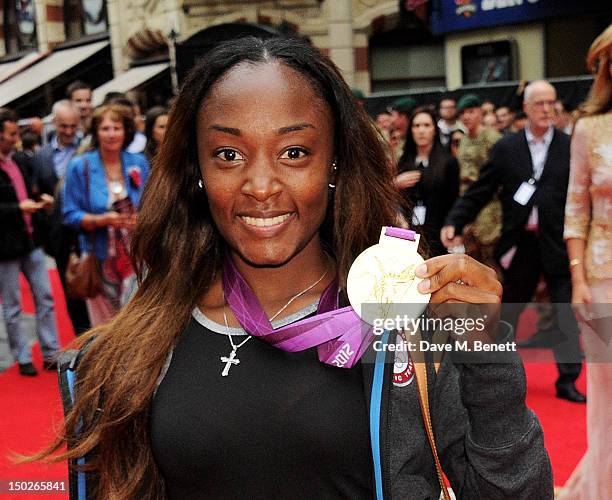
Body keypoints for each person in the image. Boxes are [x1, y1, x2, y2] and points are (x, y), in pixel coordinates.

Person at [39, 37, 551, 499]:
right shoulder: (134, 350)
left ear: (333, 163)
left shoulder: (410, 323)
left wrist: (487, 355)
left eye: (293, 151)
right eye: (228, 153)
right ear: (196, 170)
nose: (261, 185)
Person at [441, 80, 585, 403]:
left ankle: (568, 379)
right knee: (510, 312)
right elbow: (481, 189)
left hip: (558, 241)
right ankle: (497, 373)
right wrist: (455, 220)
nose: (547, 109)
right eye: (540, 104)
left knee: (565, 310)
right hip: (520, 244)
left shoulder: (570, 145)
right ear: (526, 108)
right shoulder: (507, 149)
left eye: (552, 103)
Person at [559, 24, 612, 500]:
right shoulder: (589, 128)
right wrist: (576, 281)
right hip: (601, 281)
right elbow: (575, 210)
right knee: (608, 398)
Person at [62, 103, 150, 326]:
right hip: (98, 257)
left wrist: (142, 220)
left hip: (136, 257)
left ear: (126, 131)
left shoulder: (137, 163)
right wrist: (102, 220)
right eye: (105, 128)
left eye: (117, 128)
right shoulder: (79, 166)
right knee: (105, 328)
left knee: (137, 322)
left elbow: (152, 206)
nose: (111, 134)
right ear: (95, 132)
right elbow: (69, 214)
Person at [0, 108, 60, 376]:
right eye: (11, 134)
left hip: (30, 238)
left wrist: (39, 202)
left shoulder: (19, 160)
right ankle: (22, 356)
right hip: (5, 246)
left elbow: (30, 190)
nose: (16, 138)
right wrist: (17, 208)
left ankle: (50, 351)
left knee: (45, 296)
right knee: (12, 304)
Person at [31, 100, 90, 335]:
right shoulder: (41, 157)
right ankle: (83, 344)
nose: (68, 131)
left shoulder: (89, 149)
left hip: (89, 231)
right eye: (63, 126)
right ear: (54, 123)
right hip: (59, 237)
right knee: (72, 293)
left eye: (72, 126)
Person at [395, 107, 459, 257]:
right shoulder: (404, 161)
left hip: (439, 232)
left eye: (426, 125)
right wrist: (395, 183)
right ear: (411, 130)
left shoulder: (448, 161)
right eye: (416, 126)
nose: (421, 130)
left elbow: (454, 200)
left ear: (435, 130)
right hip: (409, 232)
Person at [453, 93, 502, 270]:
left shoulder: (493, 138)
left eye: (471, 111)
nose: (466, 117)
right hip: (468, 204)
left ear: (480, 113)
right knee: (473, 258)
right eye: (462, 113)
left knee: (491, 257)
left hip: (490, 205)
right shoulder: (464, 140)